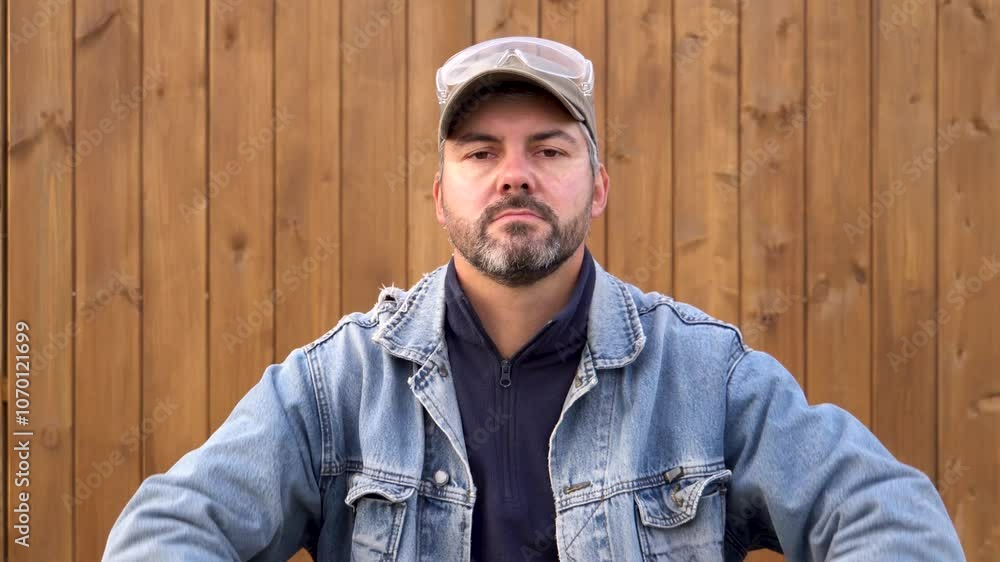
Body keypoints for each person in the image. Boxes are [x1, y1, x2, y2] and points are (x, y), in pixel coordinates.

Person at [104, 36, 965, 561]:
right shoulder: (337, 388)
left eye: (548, 149)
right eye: (480, 153)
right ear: (441, 196)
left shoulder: (705, 375)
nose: (514, 172)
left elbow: (889, 517)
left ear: (596, 188)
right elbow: (167, 531)